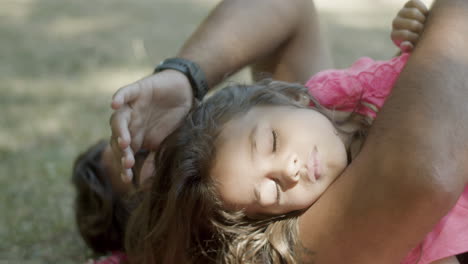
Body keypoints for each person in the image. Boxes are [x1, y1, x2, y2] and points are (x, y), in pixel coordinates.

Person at [106, 0, 468, 263]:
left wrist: (184, 75)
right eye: (142, 162)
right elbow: (422, 176)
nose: (171, 146)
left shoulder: (308, 122)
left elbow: (286, 6)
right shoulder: (278, 239)